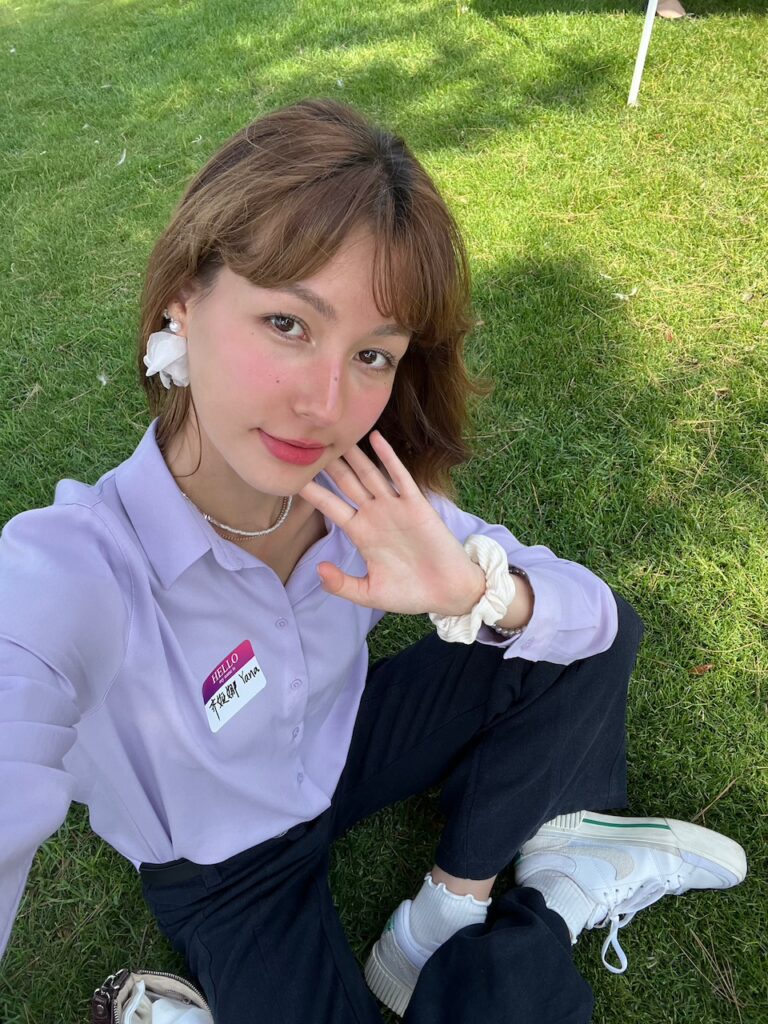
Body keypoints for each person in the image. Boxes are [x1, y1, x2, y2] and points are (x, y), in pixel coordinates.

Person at [0, 99, 745, 1023]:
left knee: (575, 635)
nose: (326, 403)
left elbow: (591, 619)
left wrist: (473, 591)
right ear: (182, 302)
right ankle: (548, 902)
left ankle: (455, 904)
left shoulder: (366, 499)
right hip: (225, 872)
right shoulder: (74, 568)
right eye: (287, 323)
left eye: (372, 355)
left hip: (343, 745)